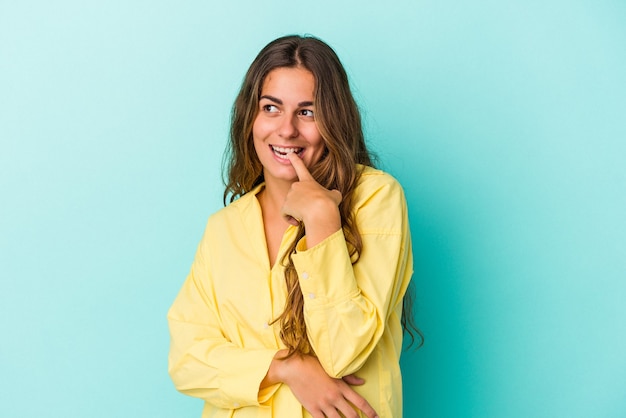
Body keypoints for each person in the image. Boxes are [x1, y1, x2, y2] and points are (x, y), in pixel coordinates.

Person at [167, 34, 421, 418]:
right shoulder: (224, 228)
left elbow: (343, 353)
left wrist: (321, 220)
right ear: (250, 117)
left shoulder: (375, 198)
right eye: (271, 108)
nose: (286, 130)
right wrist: (285, 368)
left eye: (307, 112)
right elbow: (186, 360)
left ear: (334, 120)